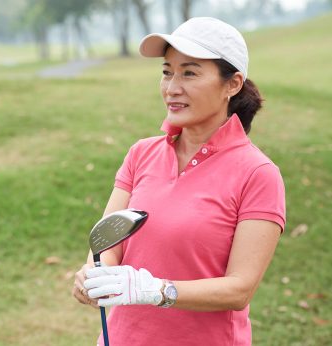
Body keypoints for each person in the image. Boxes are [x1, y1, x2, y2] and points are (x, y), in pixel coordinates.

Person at [72, 17, 286, 346]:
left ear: (232, 84)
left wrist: (157, 291)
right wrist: (93, 275)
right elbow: (107, 246)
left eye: (189, 72)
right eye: (167, 71)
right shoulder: (141, 154)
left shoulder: (258, 174)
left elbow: (239, 289)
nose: (172, 86)